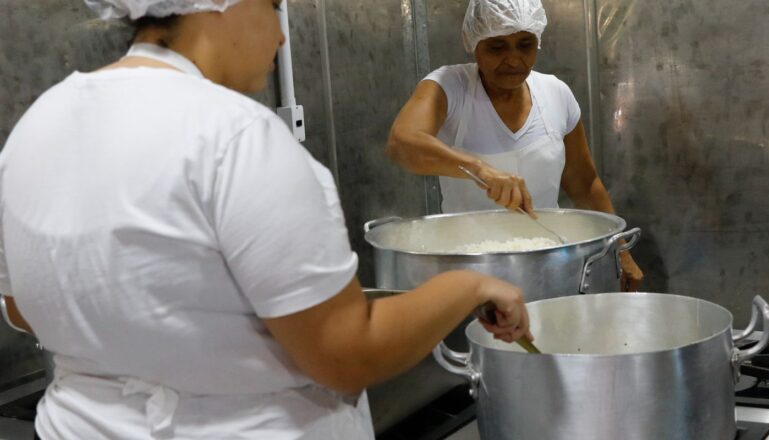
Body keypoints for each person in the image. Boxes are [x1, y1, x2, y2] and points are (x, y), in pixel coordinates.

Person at [0, 1, 531, 438]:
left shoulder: (37, 123)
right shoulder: (236, 136)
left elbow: (22, 308)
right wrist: (471, 284)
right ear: (223, 7)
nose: (281, 38)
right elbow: (346, 354)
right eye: (274, 7)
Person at [387, 0, 643, 291]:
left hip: (549, 264)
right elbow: (402, 143)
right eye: (497, 47)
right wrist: (480, 170)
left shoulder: (556, 94)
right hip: (469, 268)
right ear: (474, 44)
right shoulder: (450, 86)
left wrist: (620, 251)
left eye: (525, 45)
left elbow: (585, 185)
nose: (513, 60)